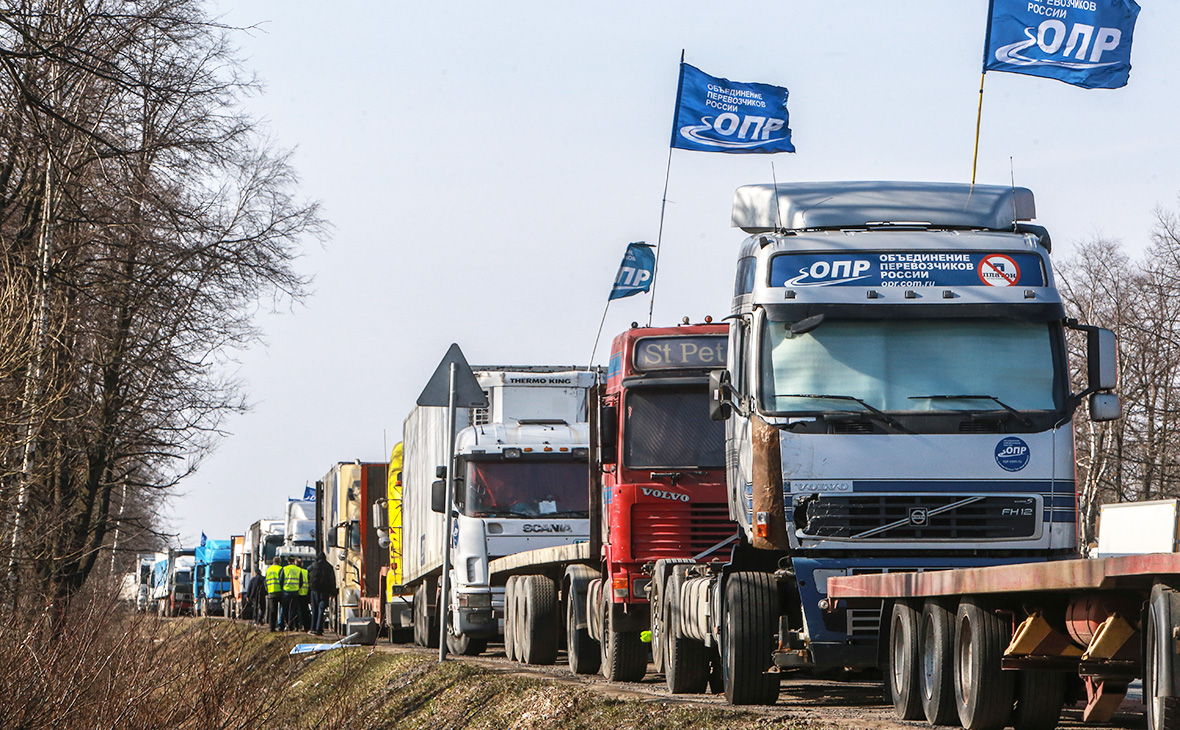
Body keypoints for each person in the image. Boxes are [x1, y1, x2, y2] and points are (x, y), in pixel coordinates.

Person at [307, 551, 336, 635]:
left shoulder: (313, 566)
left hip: (314, 591)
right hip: (324, 591)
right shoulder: (329, 567)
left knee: (314, 610)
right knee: (321, 610)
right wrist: (333, 592)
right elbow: (332, 580)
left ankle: (313, 628)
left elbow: (307, 573)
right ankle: (319, 629)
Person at [281, 556, 305, 630]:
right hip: (295, 592)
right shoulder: (298, 569)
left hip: (286, 592)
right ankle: (291, 625)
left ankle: (286, 624)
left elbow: (281, 580)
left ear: (288, 561)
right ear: (294, 561)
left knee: (285, 609)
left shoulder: (284, 569)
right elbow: (301, 582)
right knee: (293, 610)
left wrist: (283, 588)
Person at [264, 557, 284, 632]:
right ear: (279, 562)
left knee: (272, 611)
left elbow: (265, 582)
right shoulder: (281, 569)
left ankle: (272, 627)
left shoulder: (268, 570)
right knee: (282, 609)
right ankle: (281, 626)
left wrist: (268, 590)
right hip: (280, 591)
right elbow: (282, 580)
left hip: (271, 592)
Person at [297, 558, 311, 631]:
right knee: (305, 611)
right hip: (305, 593)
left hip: (297, 593)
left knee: (297, 611)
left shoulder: (296, 571)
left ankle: (298, 626)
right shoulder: (306, 572)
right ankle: (306, 627)